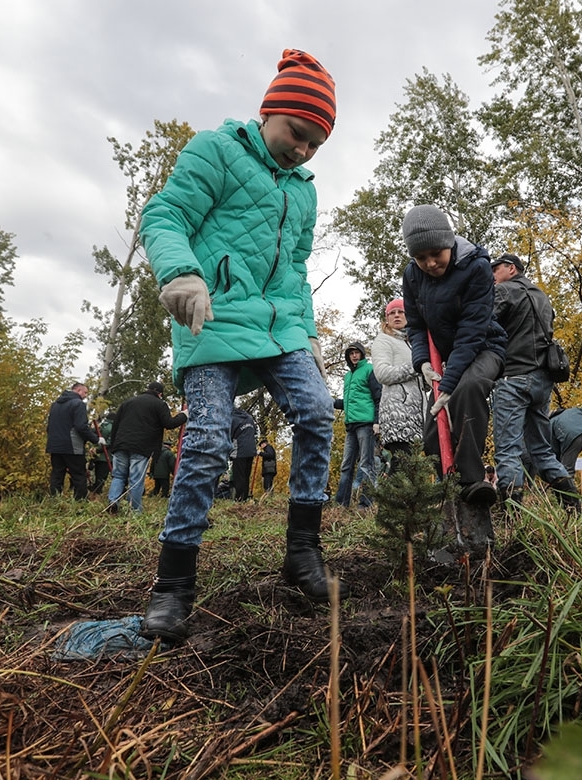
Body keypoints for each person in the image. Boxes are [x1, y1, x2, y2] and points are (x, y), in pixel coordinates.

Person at [137, 48, 343, 642]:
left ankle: (302, 551)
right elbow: (166, 213)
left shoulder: (303, 190)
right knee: (206, 439)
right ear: (268, 112)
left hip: (280, 327)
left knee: (316, 414)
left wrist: (306, 331)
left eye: (315, 145)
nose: (302, 150)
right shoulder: (217, 150)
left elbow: (296, 269)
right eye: (296, 134)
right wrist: (180, 271)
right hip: (214, 314)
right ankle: (173, 584)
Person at [401, 204, 507, 510]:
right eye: (420, 258)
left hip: (485, 347)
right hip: (445, 358)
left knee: (468, 388)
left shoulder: (476, 267)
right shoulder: (412, 275)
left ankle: (472, 481)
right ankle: (446, 488)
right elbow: (417, 325)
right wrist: (421, 360)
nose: (430, 263)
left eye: (436, 253)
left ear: (448, 242)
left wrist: (449, 380)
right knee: (433, 422)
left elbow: (472, 330)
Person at [489, 253, 579, 510]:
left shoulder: (505, 292)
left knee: (508, 449)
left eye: (495, 270)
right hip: (542, 381)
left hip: (514, 378)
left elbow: (484, 325)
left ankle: (511, 513)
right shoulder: (542, 296)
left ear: (511, 268)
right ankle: (572, 504)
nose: (492, 276)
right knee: (541, 449)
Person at [107, 382, 187, 513]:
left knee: (119, 476)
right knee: (136, 479)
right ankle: (134, 510)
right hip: (141, 446)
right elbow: (169, 423)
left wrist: (113, 445)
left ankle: (113, 501)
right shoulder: (159, 404)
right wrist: (184, 415)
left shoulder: (128, 402)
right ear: (160, 394)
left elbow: (116, 424)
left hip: (121, 444)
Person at [371, 298, 427, 458]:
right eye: (392, 313)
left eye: (401, 312)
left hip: (416, 414)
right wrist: (417, 366)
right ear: (387, 319)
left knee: (410, 470)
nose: (396, 315)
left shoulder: (412, 343)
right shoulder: (383, 340)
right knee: (402, 465)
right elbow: (382, 373)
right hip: (397, 413)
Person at [333, 341, 381, 508]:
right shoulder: (348, 376)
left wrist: (377, 421)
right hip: (350, 425)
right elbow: (347, 402)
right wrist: (330, 402)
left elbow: (378, 397)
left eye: (356, 352)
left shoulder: (369, 370)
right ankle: (341, 503)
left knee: (366, 463)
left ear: (361, 354)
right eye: (351, 353)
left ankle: (366, 504)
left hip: (366, 424)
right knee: (346, 465)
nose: (354, 355)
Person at [46, 382, 103, 499]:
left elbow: (49, 426)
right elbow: (81, 426)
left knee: (57, 474)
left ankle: (54, 500)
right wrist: (96, 440)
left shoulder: (55, 405)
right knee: (78, 474)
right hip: (72, 446)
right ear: (78, 391)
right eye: (85, 392)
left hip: (54, 445)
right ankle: (80, 502)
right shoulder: (78, 404)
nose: (86, 396)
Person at [229, 406, 258, 501]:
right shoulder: (249, 418)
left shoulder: (232, 418)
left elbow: (229, 435)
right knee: (246, 476)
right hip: (251, 450)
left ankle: (238, 499)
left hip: (239, 451)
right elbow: (254, 431)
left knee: (239, 476)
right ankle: (244, 498)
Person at [89, 410, 114, 495]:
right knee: (102, 479)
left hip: (97, 457)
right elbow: (109, 443)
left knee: (97, 477)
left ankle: (94, 494)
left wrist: (94, 450)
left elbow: (93, 437)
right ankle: (96, 495)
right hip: (107, 457)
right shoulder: (113, 427)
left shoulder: (100, 426)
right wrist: (99, 450)